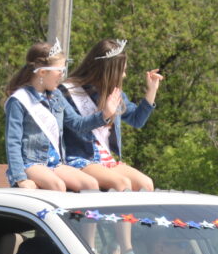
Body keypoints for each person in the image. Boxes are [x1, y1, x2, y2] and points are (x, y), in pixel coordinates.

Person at [3, 40, 121, 191]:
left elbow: (77, 124)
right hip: (31, 162)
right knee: (57, 186)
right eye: (59, 70)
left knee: (90, 185)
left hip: (56, 162)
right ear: (42, 72)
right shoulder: (19, 101)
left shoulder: (57, 95)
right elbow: (12, 142)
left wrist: (105, 114)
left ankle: (79, 216)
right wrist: (20, 178)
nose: (62, 75)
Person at [60, 38, 162, 192]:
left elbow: (137, 120)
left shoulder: (114, 94)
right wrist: (105, 113)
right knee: (121, 184)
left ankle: (133, 217)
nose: (125, 75)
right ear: (108, 71)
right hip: (81, 157)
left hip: (106, 159)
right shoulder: (68, 91)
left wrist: (151, 90)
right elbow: (77, 126)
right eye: (122, 71)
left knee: (146, 184)